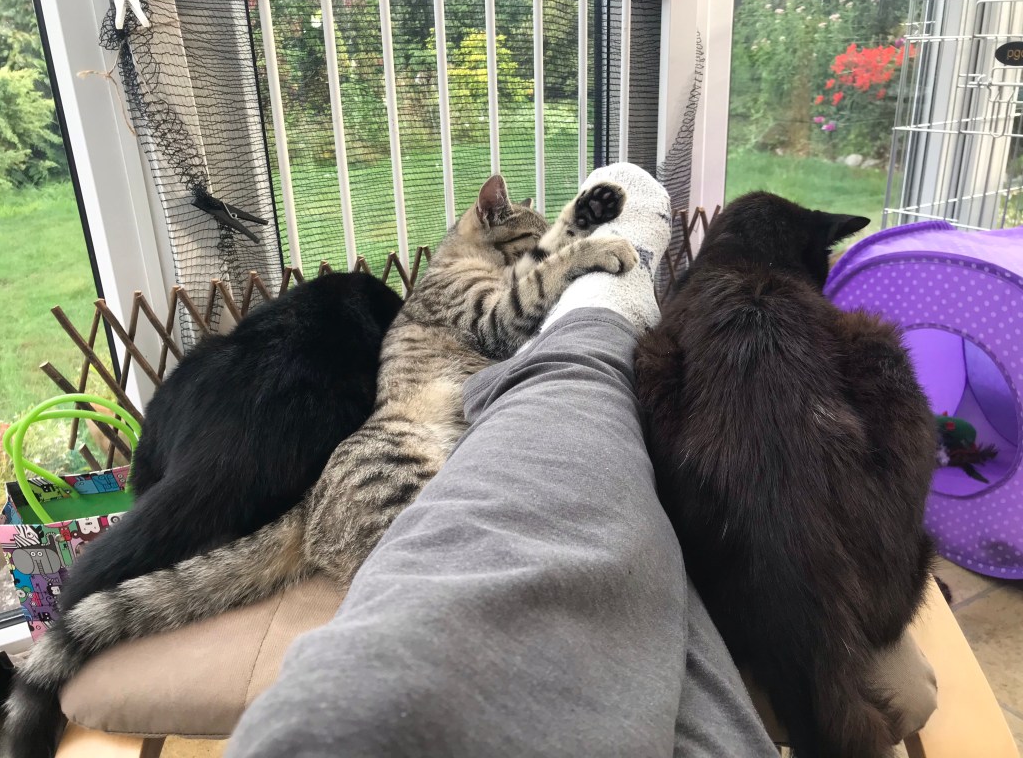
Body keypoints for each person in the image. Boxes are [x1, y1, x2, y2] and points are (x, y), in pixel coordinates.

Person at [226, 165, 932, 757]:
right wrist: (572, 255)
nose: (536, 251)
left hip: (473, 446)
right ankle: (595, 322)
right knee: (593, 424)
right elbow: (502, 319)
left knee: (567, 414)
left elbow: (513, 303)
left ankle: (591, 326)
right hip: (430, 432)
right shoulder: (448, 281)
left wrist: (564, 242)